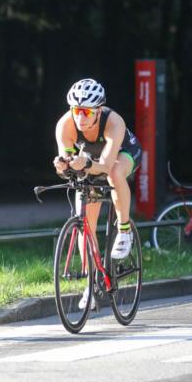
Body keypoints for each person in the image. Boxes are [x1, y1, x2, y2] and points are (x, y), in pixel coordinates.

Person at [52, 78, 143, 310]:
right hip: (91, 161)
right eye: (76, 111)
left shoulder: (113, 122)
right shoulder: (65, 125)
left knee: (113, 172)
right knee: (85, 224)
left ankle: (124, 230)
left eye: (86, 112)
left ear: (98, 110)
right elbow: (70, 164)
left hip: (121, 155)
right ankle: (90, 283)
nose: (80, 118)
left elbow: (103, 165)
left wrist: (84, 162)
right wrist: (63, 166)